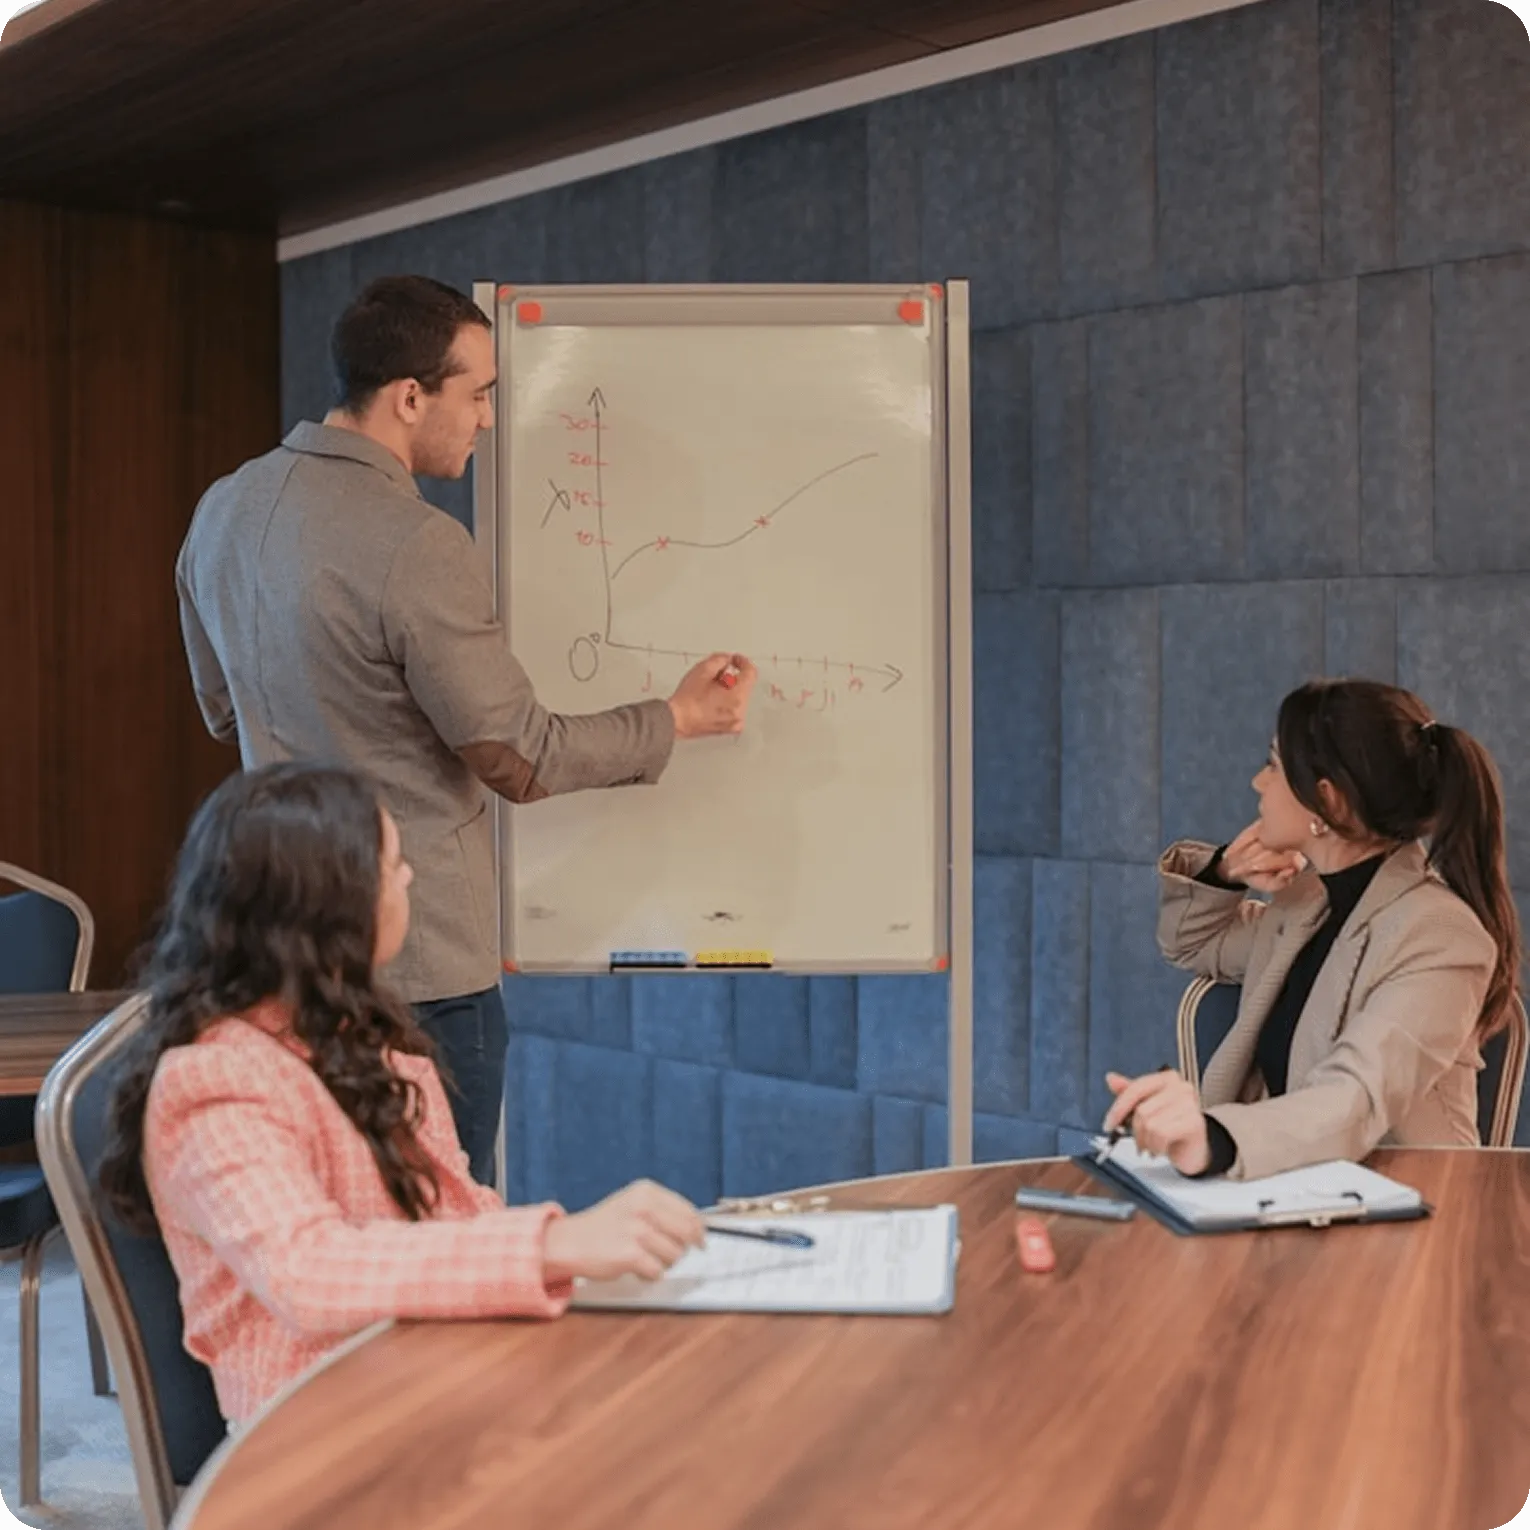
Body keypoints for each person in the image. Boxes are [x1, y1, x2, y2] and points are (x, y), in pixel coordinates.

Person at [175, 274, 758, 1184]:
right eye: (479, 393)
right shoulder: (416, 543)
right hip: (420, 979)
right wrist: (678, 716)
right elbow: (518, 756)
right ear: (410, 396)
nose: (489, 419)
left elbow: (222, 710)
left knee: (331, 1228)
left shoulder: (221, 511)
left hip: (280, 963)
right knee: (441, 1244)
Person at [98, 763, 706, 1426]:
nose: (409, 876)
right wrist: (552, 1246)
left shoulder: (363, 1039)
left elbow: (459, 1218)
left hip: (427, 1374)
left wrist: (591, 1260)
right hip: (318, 1434)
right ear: (326, 907)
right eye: (391, 865)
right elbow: (307, 1271)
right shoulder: (215, 1080)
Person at [1105, 679, 1521, 1182]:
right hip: (1290, 1192)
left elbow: (1357, 1096)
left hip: (1408, 1211)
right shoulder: (1304, 902)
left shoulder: (1441, 936)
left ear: (1329, 803)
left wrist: (1213, 1137)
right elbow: (1193, 943)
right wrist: (1223, 872)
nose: (1259, 783)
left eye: (1275, 766)